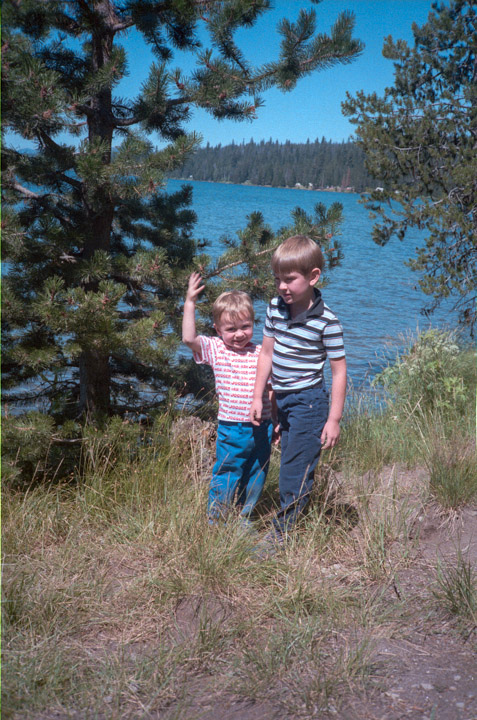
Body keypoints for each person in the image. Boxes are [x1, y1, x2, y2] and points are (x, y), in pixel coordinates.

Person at [250, 235, 347, 550]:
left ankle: (280, 537)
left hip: (309, 403)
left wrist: (333, 419)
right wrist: (258, 396)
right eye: (277, 279)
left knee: (295, 469)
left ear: (313, 276)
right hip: (282, 401)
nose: (282, 287)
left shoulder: (327, 322)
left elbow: (339, 371)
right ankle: (285, 521)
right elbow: (266, 353)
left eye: (289, 280)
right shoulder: (275, 310)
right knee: (290, 463)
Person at [182, 272, 274, 524]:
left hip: (262, 427)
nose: (239, 334)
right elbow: (188, 339)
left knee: (257, 472)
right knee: (227, 473)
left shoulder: (261, 352)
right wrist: (190, 302)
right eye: (230, 329)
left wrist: (276, 421)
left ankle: (244, 518)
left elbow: (272, 389)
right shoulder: (216, 349)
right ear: (218, 329)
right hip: (232, 428)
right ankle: (217, 519)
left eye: (245, 327)